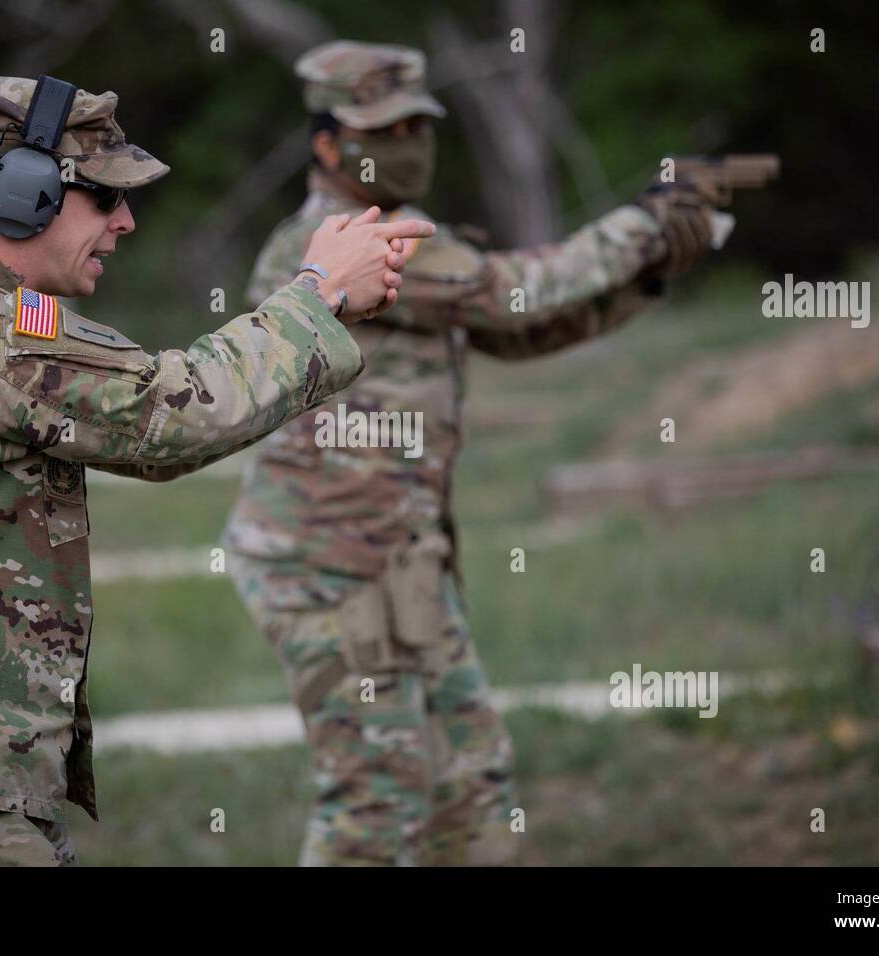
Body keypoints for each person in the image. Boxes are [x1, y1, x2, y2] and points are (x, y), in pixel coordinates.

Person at [0, 73, 435, 866]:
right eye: (104, 198)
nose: (126, 221)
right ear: (22, 194)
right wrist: (318, 294)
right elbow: (175, 413)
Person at [224, 41, 717, 865]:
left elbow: (516, 330)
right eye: (388, 127)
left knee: (467, 785)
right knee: (377, 799)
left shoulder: (407, 238)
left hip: (402, 559)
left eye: (421, 123)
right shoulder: (330, 244)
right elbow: (509, 289)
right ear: (326, 143)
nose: (411, 141)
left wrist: (656, 268)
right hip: (331, 564)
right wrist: (647, 223)